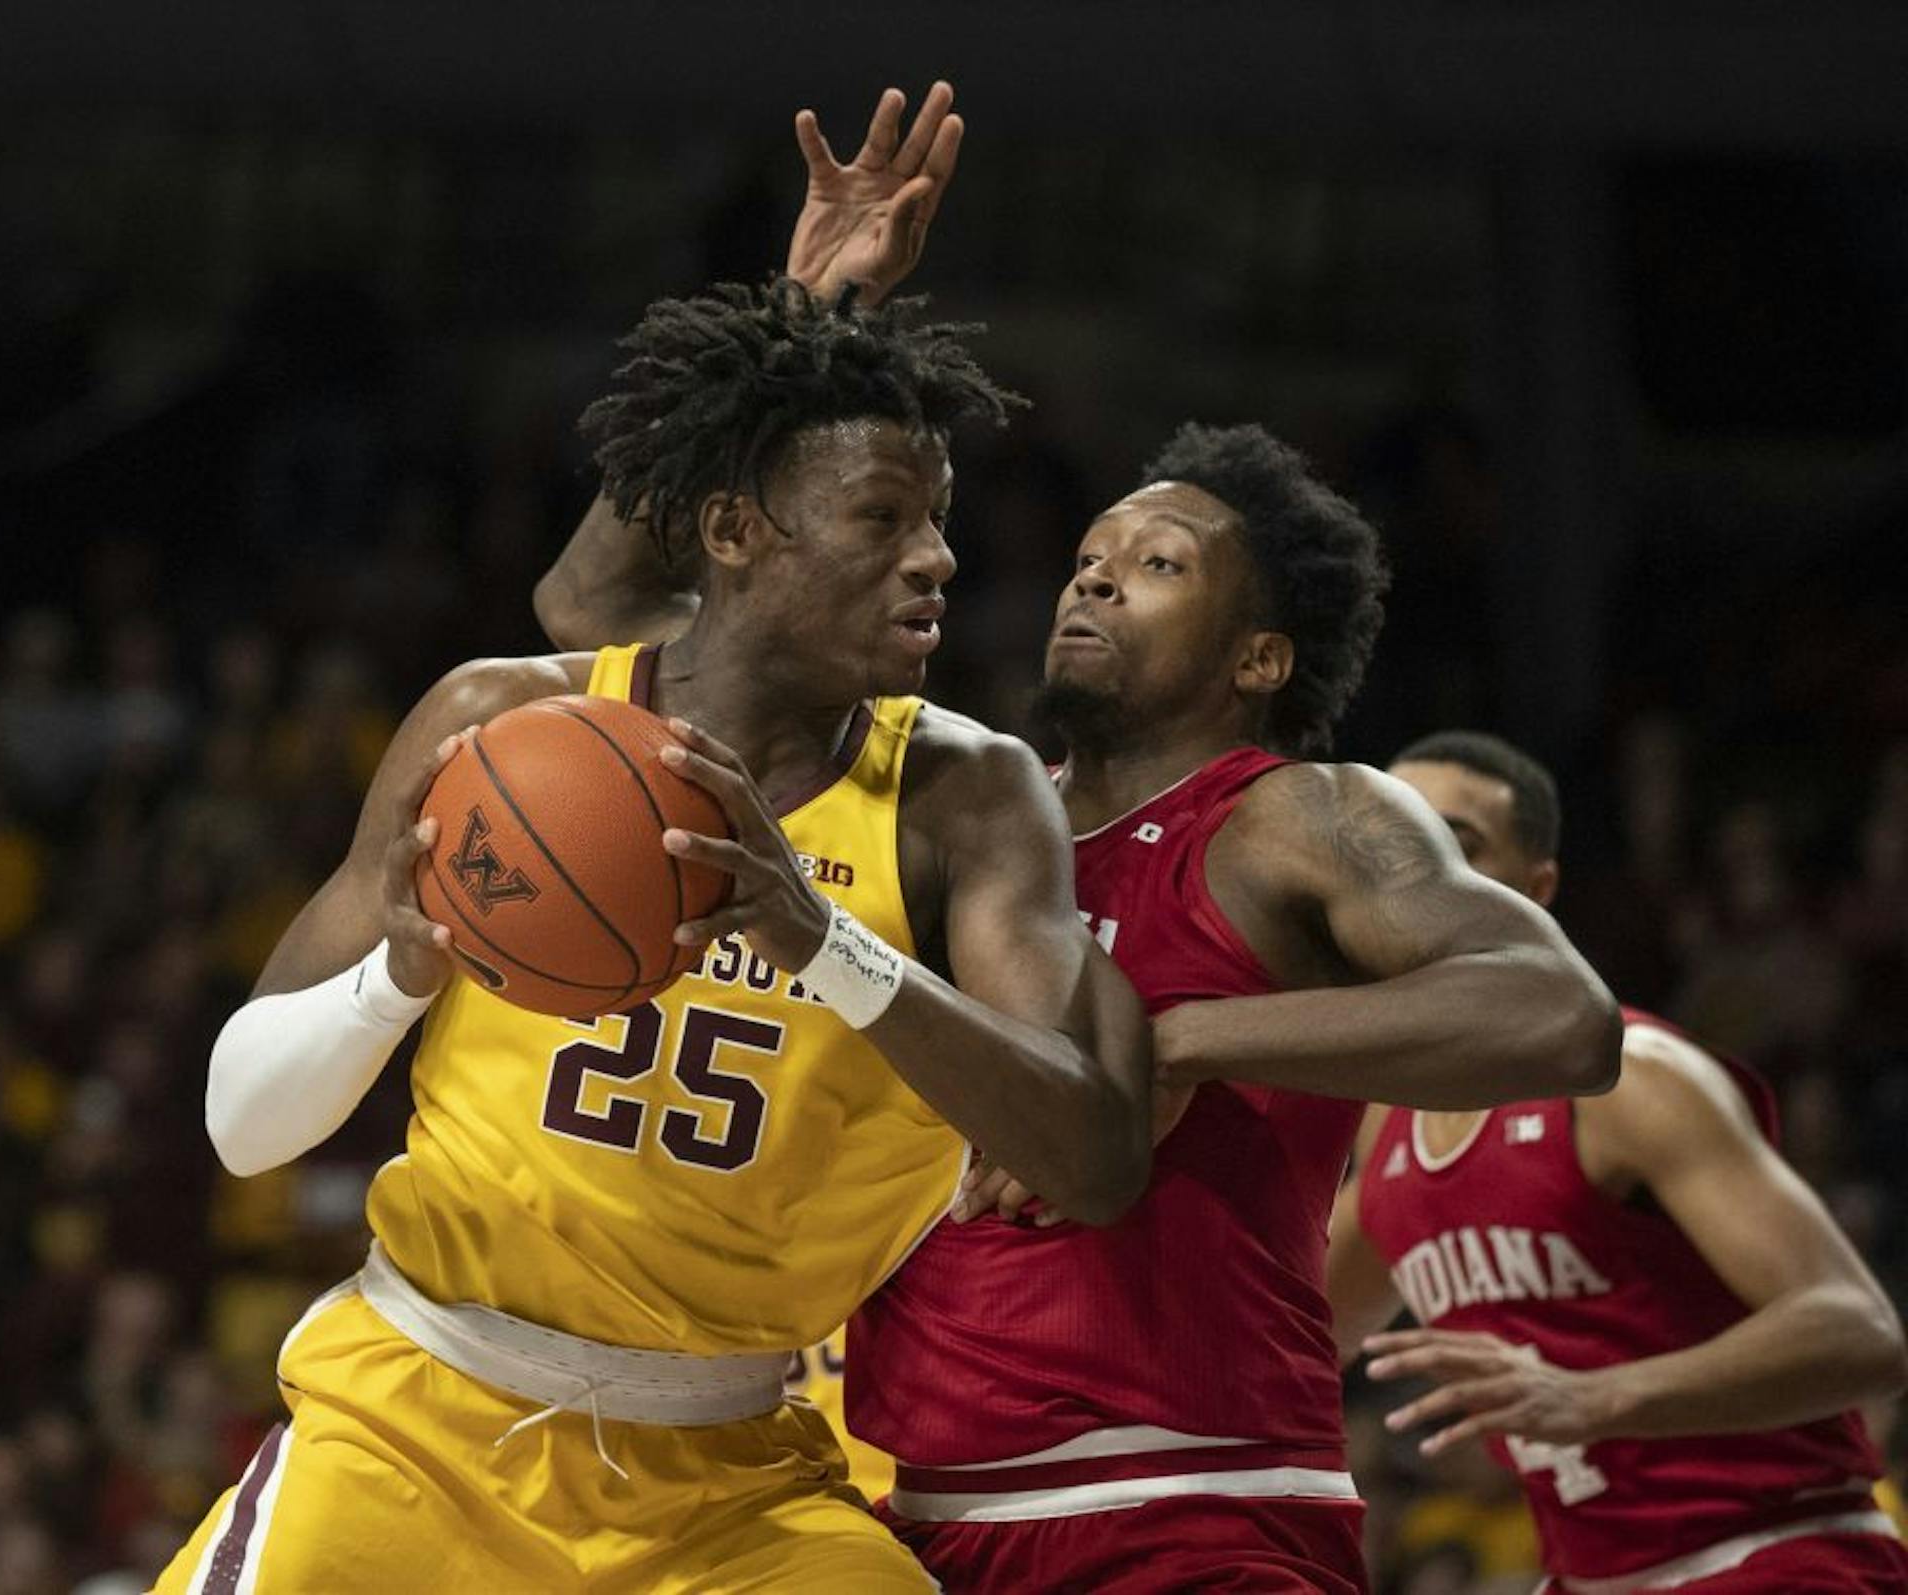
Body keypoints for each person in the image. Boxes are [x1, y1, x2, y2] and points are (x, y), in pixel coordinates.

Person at [538, 89, 1624, 1593]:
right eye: (1092, 554)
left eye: (1160, 565)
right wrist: (797, 322)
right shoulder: (968, 815)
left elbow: (1558, 1015)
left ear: (1255, 656)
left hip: (1190, 1500)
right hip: (910, 1512)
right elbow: (599, 619)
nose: (1095, 582)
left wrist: (1178, 1038)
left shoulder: (1290, 814)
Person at [151, 173, 1154, 1595]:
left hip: (730, 1470)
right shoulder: (502, 727)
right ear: (738, 532)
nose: (938, 557)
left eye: (940, 518)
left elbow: (1094, 1159)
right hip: (417, 1417)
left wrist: (826, 945)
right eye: (882, 520)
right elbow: (241, 1125)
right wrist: (399, 974)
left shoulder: (965, 795)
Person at [1329, 730, 1908, 1593]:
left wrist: (1592, 1396)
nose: (1420, 873)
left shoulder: (1629, 1078)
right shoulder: (1385, 1128)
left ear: (1537, 892)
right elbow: (1285, 1338)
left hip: (1773, 1552)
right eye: (1395, 844)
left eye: (1461, 845)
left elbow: (1861, 1333)